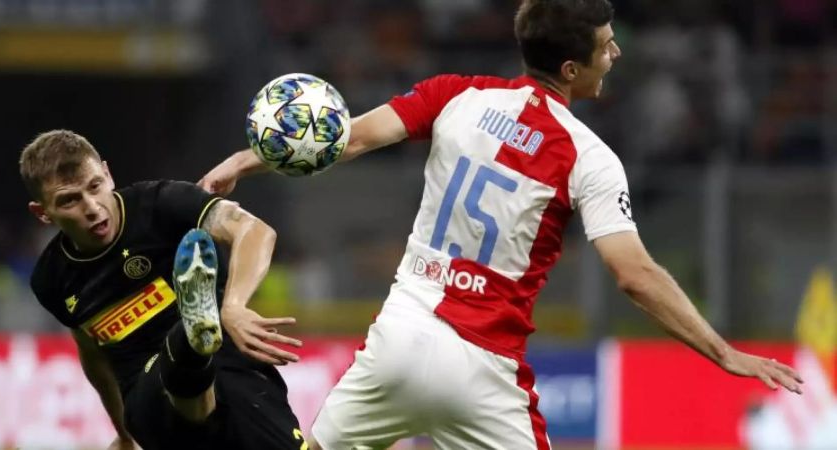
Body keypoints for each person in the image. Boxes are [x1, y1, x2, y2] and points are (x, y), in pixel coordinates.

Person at [200, 1, 804, 448]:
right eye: (607, 45)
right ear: (571, 69)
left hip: (399, 344)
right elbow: (634, 274)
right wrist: (722, 352)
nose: (615, 53)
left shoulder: (454, 95)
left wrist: (247, 160)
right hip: (485, 370)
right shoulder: (588, 156)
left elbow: (347, 137)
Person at [20, 130, 309, 449]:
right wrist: (124, 433)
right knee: (177, 361)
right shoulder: (51, 279)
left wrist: (235, 305)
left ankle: (197, 333)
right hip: (148, 399)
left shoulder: (162, 204)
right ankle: (193, 335)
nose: (91, 207)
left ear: (107, 173)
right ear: (42, 212)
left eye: (94, 186)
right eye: (70, 200)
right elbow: (93, 354)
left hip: (235, 369)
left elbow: (254, 230)